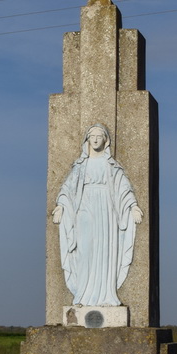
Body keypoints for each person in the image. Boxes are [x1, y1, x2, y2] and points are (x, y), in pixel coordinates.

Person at [52, 124, 143, 306]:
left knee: (105, 248)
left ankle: (105, 295)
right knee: (85, 249)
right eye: (91, 136)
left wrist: (132, 206)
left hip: (106, 209)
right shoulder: (80, 165)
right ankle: (83, 293)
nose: (95, 139)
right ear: (87, 139)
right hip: (84, 207)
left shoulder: (111, 165)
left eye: (99, 136)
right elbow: (68, 188)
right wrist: (61, 206)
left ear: (105, 140)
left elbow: (123, 187)